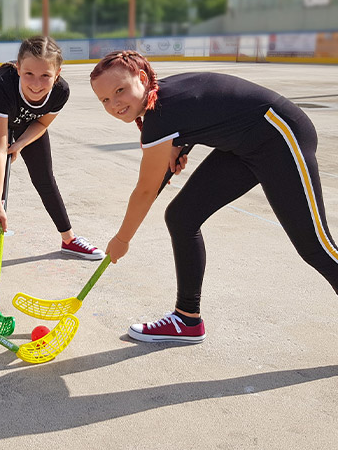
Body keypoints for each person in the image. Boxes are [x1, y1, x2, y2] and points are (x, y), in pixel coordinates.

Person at [90, 50, 338, 343]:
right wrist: (180, 147)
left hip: (279, 136)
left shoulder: (161, 113)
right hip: (245, 146)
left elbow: (146, 189)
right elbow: (206, 111)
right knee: (182, 217)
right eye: (105, 99)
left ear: (142, 79)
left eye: (120, 90)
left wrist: (122, 239)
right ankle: (187, 320)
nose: (114, 103)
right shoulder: (161, 102)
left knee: (314, 245)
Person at [0, 35, 105, 296]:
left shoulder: (61, 91)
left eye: (45, 76)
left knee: (45, 179)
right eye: (28, 73)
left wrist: (19, 144)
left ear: (57, 73)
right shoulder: (4, 86)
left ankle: (69, 240)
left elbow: (41, 124)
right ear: (18, 68)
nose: (36, 83)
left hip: (29, 126)